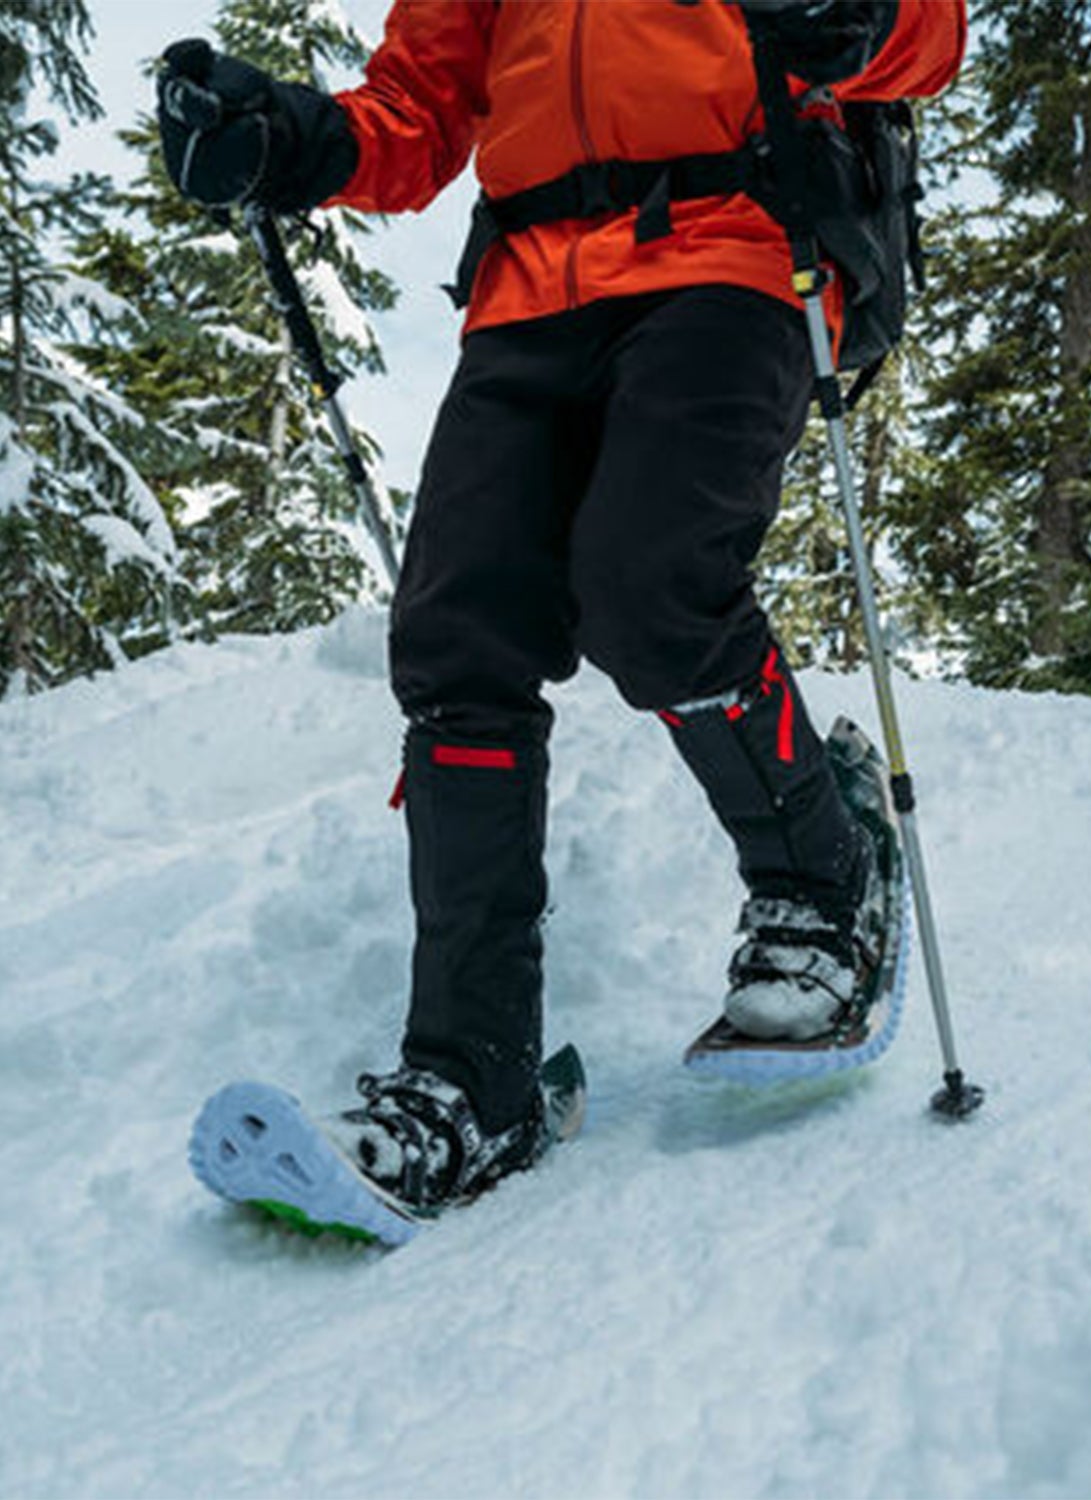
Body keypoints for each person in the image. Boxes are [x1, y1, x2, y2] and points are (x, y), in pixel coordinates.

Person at [156, 0, 967, 1214]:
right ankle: (471, 1078)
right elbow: (416, 114)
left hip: (736, 243)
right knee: (453, 639)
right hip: (527, 287)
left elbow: (931, 37)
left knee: (651, 587)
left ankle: (822, 872)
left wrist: (854, 17)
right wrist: (287, 138)